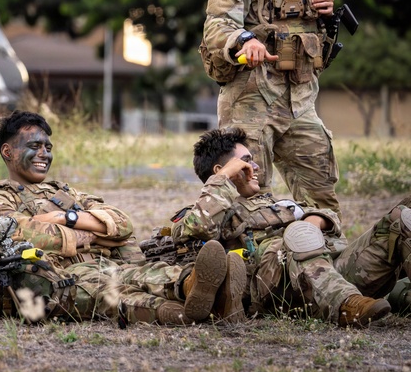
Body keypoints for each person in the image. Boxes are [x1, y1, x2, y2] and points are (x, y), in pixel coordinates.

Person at [0, 110, 246, 325]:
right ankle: (196, 305)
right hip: (59, 277)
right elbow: (16, 234)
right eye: (35, 146)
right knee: (116, 294)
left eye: (48, 147)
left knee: (141, 272)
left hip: (104, 265)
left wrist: (67, 218)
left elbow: (122, 222)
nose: (44, 154)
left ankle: (196, 284)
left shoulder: (64, 193)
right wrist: (95, 235)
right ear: (8, 151)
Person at [201, 0, 340, 216]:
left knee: (322, 198)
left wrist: (325, 10)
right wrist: (244, 39)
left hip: (300, 100)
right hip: (252, 100)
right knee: (249, 201)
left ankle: (317, 259)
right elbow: (216, 25)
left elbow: (314, 25)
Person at [173, 126, 406, 326]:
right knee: (297, 234)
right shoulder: (210, 210)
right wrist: (222, 179)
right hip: (285, 290)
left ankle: (357, 296)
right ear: (222, 170)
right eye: (245, 162)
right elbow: (197, 229)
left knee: (401, 217)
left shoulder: (274, 201)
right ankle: (347, 305)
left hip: (336, 268)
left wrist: (314, 220)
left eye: (253, 161)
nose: (256, 167)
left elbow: (328, 214)